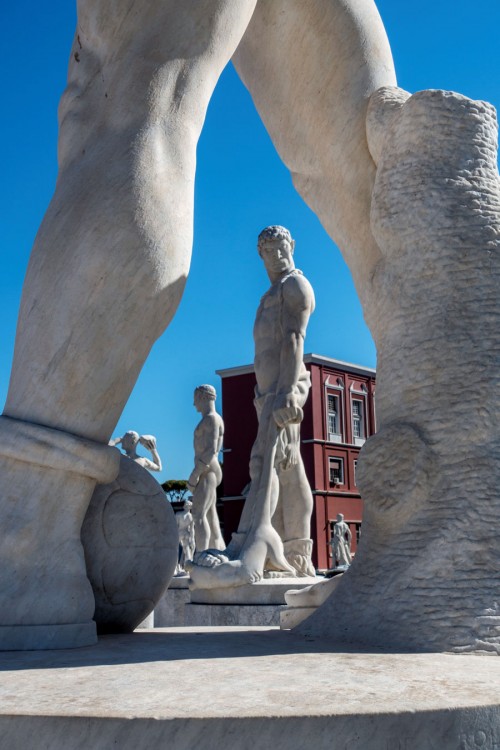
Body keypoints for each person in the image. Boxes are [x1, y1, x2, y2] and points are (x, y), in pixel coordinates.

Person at [189, 226, 315, 588]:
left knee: (269, 461)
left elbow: (294, 338)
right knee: (288, 466)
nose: (276, 257)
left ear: (292, 247)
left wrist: (289, 390)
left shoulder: (294, 287)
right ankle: (294, 551)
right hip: (268, 391)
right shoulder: (269, 294)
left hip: (284, 388)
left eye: (281, 249)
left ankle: (268, 543)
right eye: (268, 252)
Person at [187, 385, 225, 555]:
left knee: (198, 514)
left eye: (196, 399)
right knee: (210, 515)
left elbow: (212, 450)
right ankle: (217, 550)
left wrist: (194, 475)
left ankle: (201, 554)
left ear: (203, 397)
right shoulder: (211, 419)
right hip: (207, 470)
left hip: (207, 470)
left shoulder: (211, 419)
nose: (194, 404)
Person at [175, 499, 195, 573]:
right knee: (186, 549)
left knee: (177, 550)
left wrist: (192, 539)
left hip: (180, 533)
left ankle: (179, 566)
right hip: (186, 533)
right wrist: (192, 539)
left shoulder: (178, 514)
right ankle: (186, 566)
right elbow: (192, 529)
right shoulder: (191, 517)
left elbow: (175, 526)